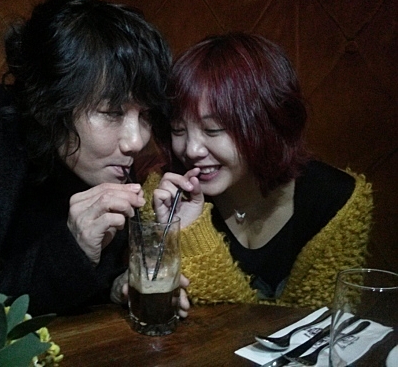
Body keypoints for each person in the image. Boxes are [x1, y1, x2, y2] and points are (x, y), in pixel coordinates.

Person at [0, 0, 189, 318]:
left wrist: (115, 285)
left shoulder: (106, 159)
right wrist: (71, 252)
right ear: (47, 104)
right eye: (112, 112)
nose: (136, 141)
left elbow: (88, 281)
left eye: (145, 115)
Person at [148, 32, 372, 308]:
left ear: (266, 123)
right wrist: (187, 230)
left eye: (213, 130)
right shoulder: (165, 194)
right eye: (178, 130)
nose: (192, 150)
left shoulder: (336, 200)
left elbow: (318, 323)